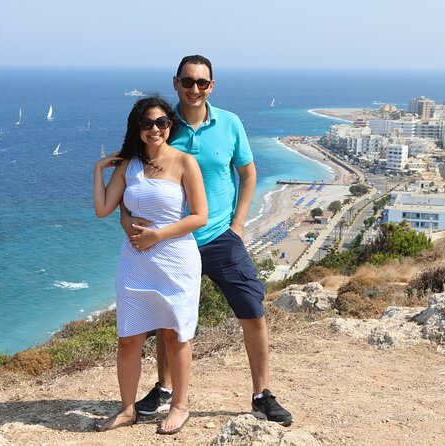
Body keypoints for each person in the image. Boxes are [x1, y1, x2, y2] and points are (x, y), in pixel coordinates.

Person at [124, 55, 293, 426]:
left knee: (252, 310)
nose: (194, 89)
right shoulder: (162, 125)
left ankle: (262, 394)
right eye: (188, 81)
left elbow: (248, 174)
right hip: (171, 240)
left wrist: (239, 225)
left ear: (212, 86)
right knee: (168, 318)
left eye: (202, 82)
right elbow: (135, 175)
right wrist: (128, 219)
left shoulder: (230, 123)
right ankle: (165, 389)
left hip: (218, 236)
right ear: (176, 83)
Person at [92, 96, 208, 434]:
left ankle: (180, 406)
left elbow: (200, 216)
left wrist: (157, 235)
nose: (154, 129)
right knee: (129, 338)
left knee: (175, 335)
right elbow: (103, 208)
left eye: (161, 122)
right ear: (137, 128)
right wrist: (98, 170)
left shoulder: (185, 162)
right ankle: (127, 409)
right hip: (135, 262)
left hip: (175, 259)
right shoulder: (128, 166)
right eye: (146, 123)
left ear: (170, 124)